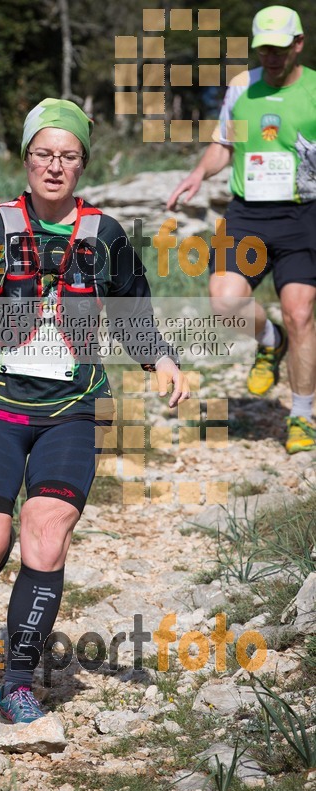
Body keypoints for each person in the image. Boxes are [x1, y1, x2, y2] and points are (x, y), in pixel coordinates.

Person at [0, 98, 190, 724]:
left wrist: (160, 360)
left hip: (71, 406)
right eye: (44, 154)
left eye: (67, 156)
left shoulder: (104, 235)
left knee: (47, 535)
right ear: (26, 159)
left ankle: (17, 678)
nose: (54, 166)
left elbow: (133, 307)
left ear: (82, 165)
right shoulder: (1, 228)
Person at [167, 5, 316, 455]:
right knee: (224, 300)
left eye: (279, 47)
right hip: (247, 213)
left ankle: (302, 416)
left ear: (298, 44)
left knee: (301, 312)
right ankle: (271, 343)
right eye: (262, 48)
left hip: (301, 214)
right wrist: (199, 173)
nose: (271, 56)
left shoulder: (314, 89)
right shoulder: (240, 88)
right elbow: (223, 146)